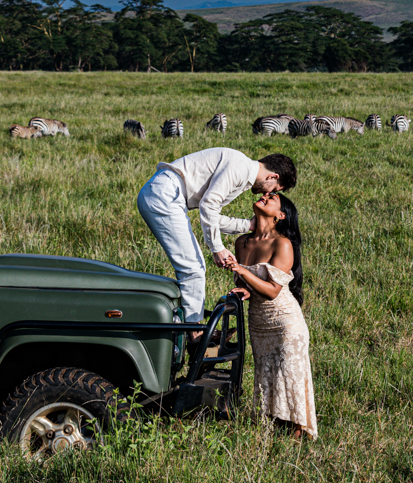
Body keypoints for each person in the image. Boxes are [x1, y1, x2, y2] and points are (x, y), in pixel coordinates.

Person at [136, 148, 297, 324]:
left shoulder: (243, 175)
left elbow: (212, 216)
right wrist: (217, 248)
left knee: (193, 268)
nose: (267, 194)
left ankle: (190, 325)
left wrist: (248, 225)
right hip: (166, 194)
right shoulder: (240, 167)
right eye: (274, 189)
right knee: (193, 269)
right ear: (272, 177)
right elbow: (208, 205)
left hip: (166, 195)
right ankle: (194, 332)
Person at [225, 191, 317, 440]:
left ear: (280, 215)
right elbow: (250, 286)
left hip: (285, 321)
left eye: (272, 198)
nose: (265, 196)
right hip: (258, 322)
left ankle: (298, 433)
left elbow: (273, 291)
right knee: (266, 371)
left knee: (289, 374)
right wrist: (242, 290)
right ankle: (274, 429)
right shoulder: (242, 242)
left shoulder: (282, 244)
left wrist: (239, 271)